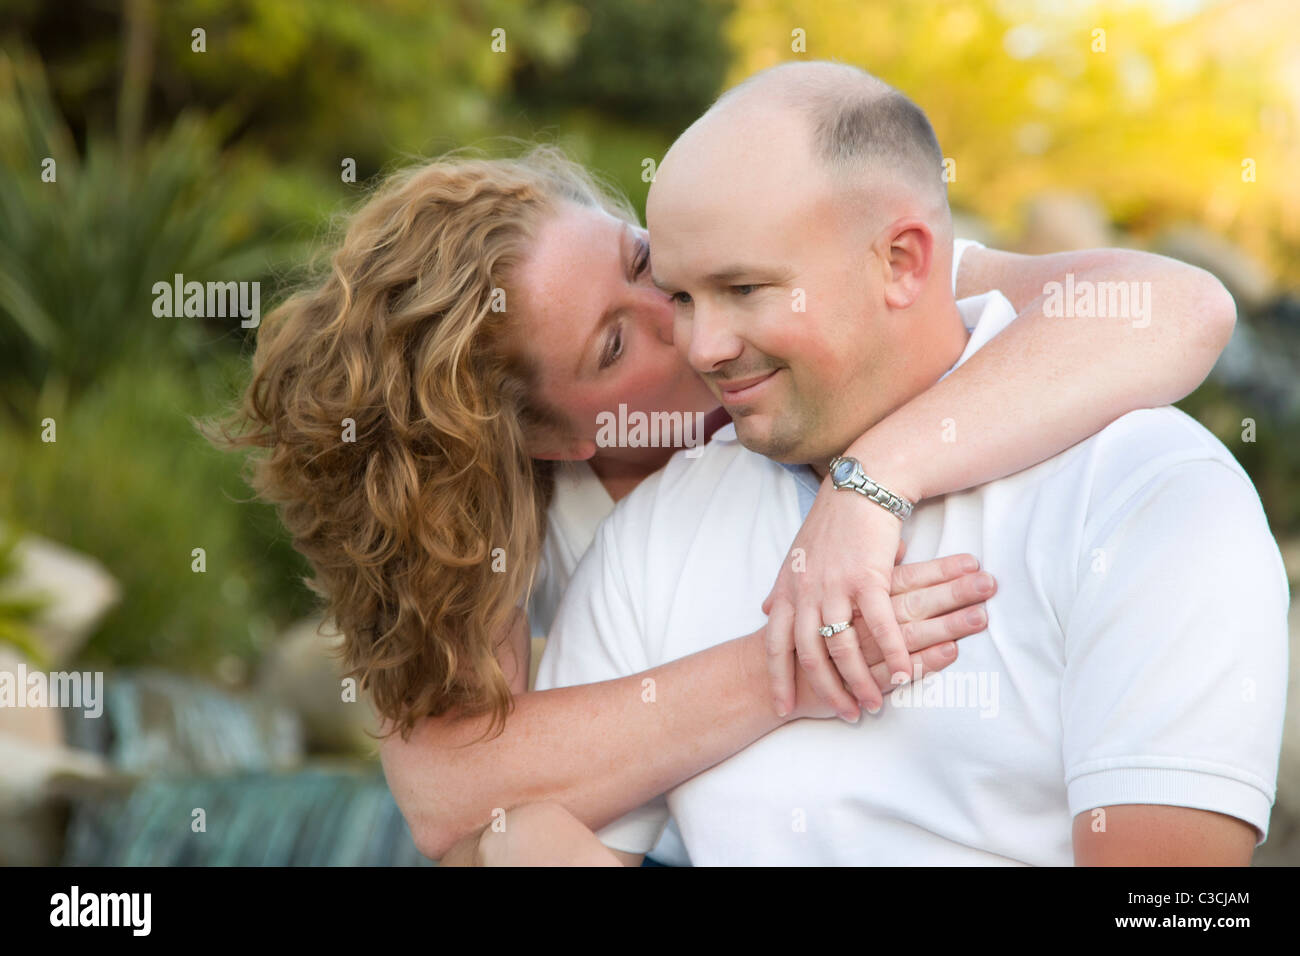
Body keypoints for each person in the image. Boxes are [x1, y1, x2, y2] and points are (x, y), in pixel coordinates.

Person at [211, 111, 1238, 865]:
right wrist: (793, 658)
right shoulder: (515, 532)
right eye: (616, 344)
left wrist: (870, 484)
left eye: (643, 262)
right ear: (544, 437)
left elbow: (1177, 307)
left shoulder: (824, 297)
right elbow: (452, 798)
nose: (689, 321)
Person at [531, 61, 1289, 866]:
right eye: (682, 297)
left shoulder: (1148, 494)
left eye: (745, 288)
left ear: (901, 262)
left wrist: (868, 484)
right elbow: (531, 830)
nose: (702, 348)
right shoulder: (657, 528)